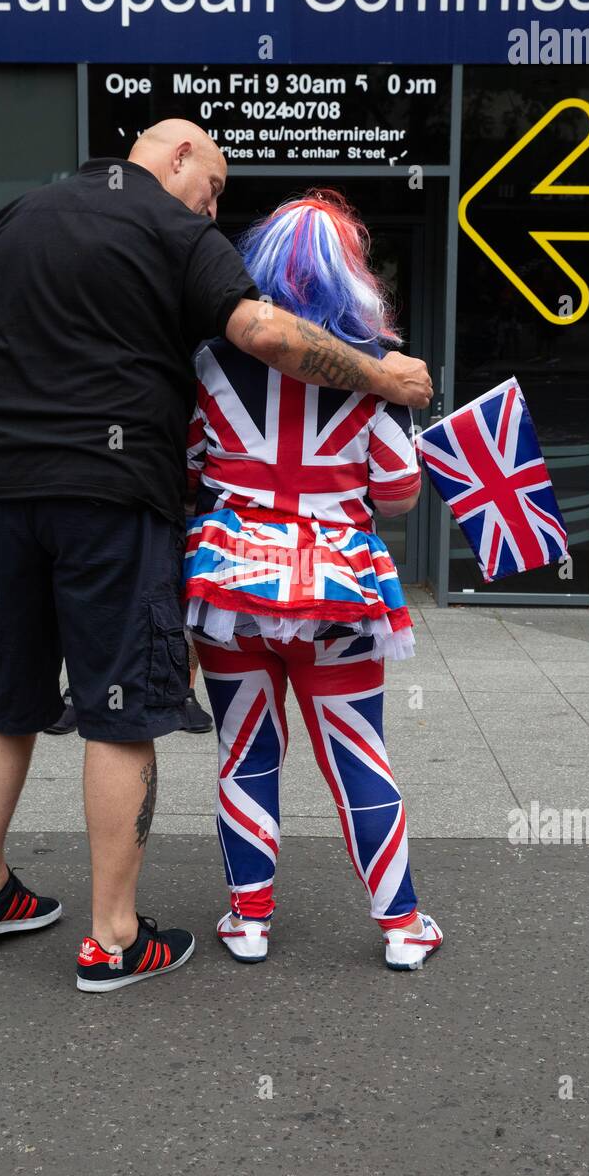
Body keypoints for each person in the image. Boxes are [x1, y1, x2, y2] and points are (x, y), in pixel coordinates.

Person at [0, 123, 434, 994]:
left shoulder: (15, 217)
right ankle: (124, 938)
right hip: (148, 511)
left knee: (14, 690)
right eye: (214, 185)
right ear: (181, 158)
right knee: (130, 707)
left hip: (10, 490)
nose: (214, 206)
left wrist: (20, 418)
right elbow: (272, 339)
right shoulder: (174, 230)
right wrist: (384, 379)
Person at [184, 190, 443, 972]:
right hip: (337, 588)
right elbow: (397, 493)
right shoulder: (375, 372)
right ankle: (400, 924)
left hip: (234, 590)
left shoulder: (209, 360)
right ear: (352, 275)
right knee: (359, 755)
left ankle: (250, 918)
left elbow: (187, 464)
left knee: (246, 752)